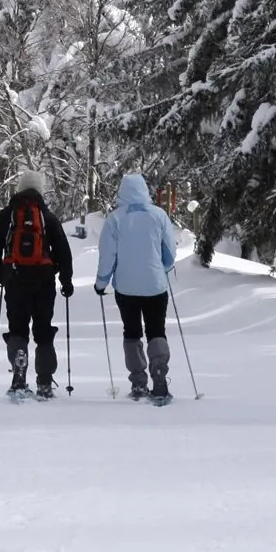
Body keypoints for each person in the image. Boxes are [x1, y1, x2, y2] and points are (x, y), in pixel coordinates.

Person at [0, 170, 75, 399]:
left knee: (18, 329)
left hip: (15, 280)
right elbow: (64, 253)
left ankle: (19, 375)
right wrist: (65, 280)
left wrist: (1, 274)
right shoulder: (47, 217)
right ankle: (44, 382)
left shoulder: (7, 216)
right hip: (44, 281)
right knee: (43, 332)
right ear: (40, 190)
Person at [93, 173, 179, 403]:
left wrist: (101, 283)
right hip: (155, 287)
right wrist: (162, 269)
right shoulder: (158, 215)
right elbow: (170, 252)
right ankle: (159, 374)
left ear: (122, 192)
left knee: (131, 332)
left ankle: (139, 383)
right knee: (156, 330)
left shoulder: (115, 219)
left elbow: (107, 256)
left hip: (126, 288)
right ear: (145, 190)